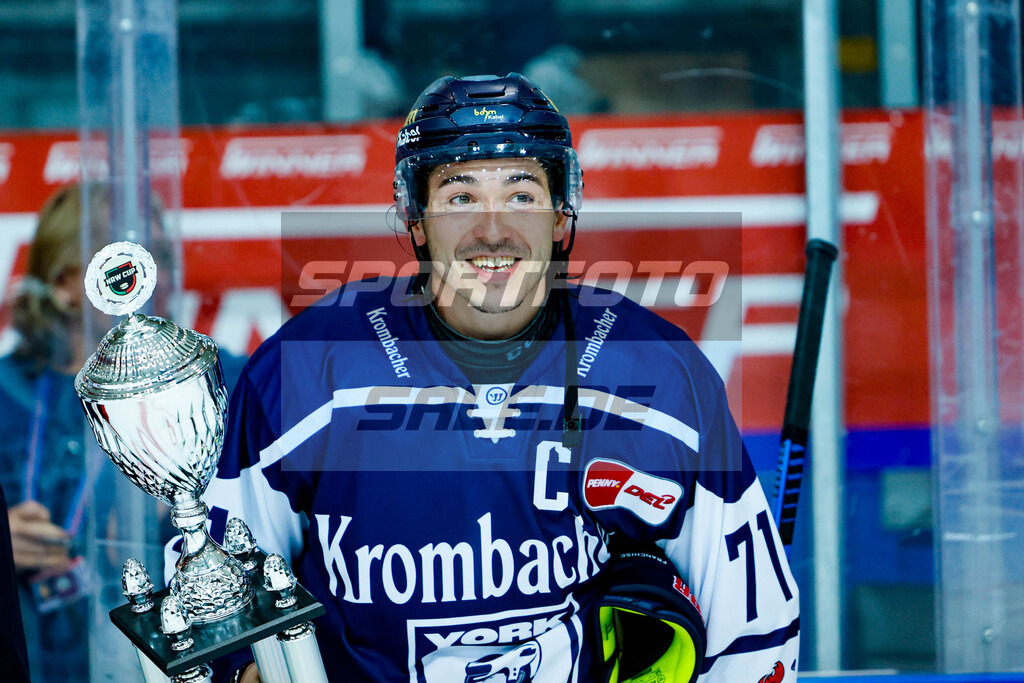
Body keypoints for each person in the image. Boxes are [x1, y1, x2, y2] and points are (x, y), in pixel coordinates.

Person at [205, 73, 799, 682]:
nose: (494, 230)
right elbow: (218, 613)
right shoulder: (308, 367)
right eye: (460, 197)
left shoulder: (658, 371)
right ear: (415, 218)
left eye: (522, 195)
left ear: (561, 215)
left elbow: (755, 636)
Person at [0, 184, 94, 682]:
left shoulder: (199, 387)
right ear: (64, 283)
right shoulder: (5, 392)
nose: (154, 274)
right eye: (125, 258)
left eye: (161, 254)